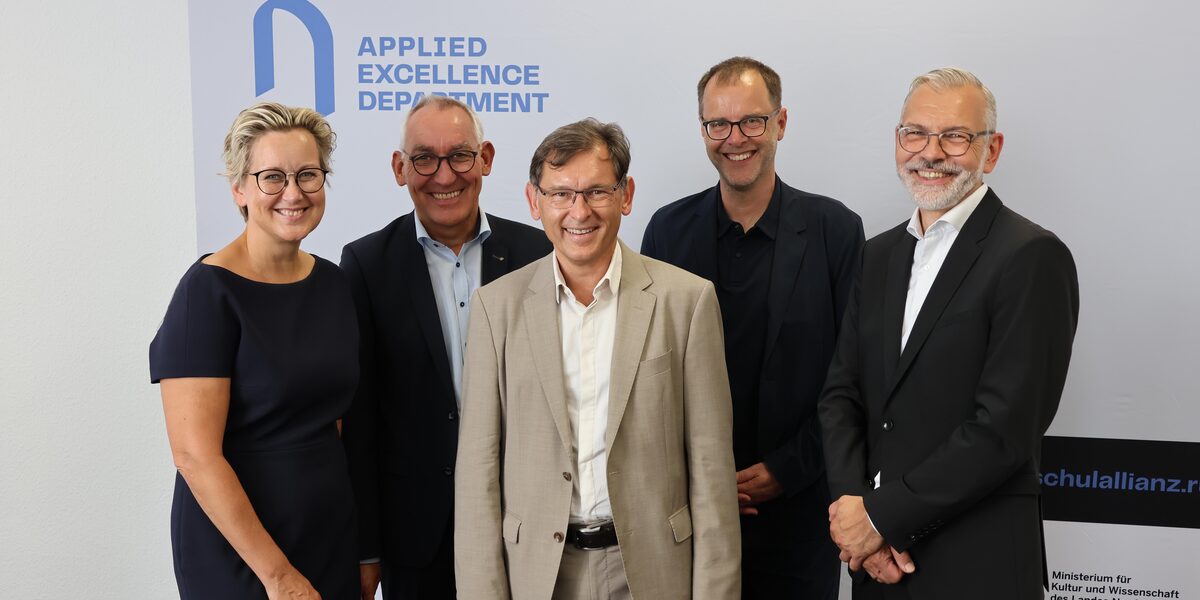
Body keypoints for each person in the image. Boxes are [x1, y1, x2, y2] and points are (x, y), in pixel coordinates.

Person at [819, 67, 1079, 599]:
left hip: (977, 566)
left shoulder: (1030, 256)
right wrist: (857, 521)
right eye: (915, 133)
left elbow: (1003, 430)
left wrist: (882, 519)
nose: (931, 152)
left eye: (955, 136)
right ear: (898, 141)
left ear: (992, 149)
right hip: (878, 569)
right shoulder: (878, 255)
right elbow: (841, 395)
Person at [454, 119, 741, 600]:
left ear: (626, 196)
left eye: (596, 192)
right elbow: (478, 472)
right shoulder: (495, 308)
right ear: (534, 202)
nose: (578, 211)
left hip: (653, 571)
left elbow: (712, 473)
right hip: (539, 575)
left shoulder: (686, 302)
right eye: (561, 194)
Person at [641, 56, 863, 599]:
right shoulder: (666, 231)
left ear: (780, 124)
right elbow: (647, 378)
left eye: (752, 122)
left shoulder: (836, 230)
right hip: (686, 516)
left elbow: (855, 376)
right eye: (718, 124)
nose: (734, 138)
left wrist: (787, 469)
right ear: (703, 132)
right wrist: (704, 477)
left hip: (800, 516)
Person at [339, 95, 550, 600]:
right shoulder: (366, 266)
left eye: (460, 155)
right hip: (416, 540)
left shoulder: (538, 253)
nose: (443, 175)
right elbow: (360, 422)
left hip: (527, 526)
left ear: (487, 159)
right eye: (423, 159)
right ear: (399, 168)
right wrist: (367, 549)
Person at [150, 102, 357, 599]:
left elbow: (336, 421)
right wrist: (279, 577)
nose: (293, 193)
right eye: (272, 177)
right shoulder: (206, 293)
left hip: (327, 536)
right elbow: (194, 456)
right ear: (239, 188)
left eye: (308, 174)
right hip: (240, 554)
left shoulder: (334, 282)